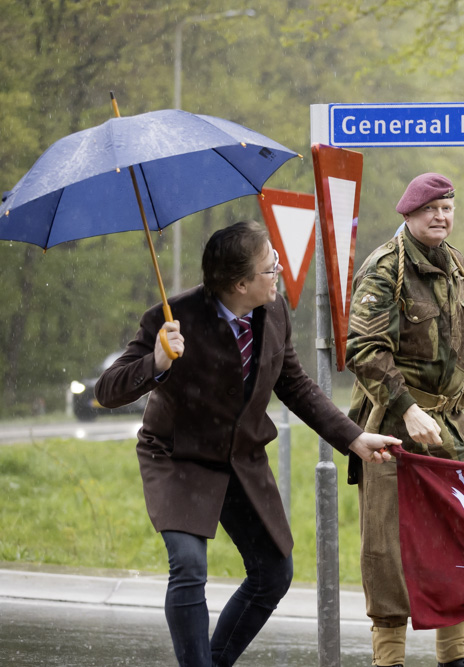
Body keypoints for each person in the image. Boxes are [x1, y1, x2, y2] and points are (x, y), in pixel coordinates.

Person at [95, 220, 399, 667]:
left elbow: (294, 385)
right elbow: (107, 389)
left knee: (273, 574)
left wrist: (353, 438)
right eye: (270, 267)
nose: (278, 271)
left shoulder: (274, 311)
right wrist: (156, 361)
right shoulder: (172, 317)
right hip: (177, 457)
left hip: (240, 457)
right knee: (188, 567)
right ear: (240, 283)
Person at [345, 173, 464, 667]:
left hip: (451, 429)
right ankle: (389, 658)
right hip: (393, 428)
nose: (441, 217)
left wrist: (453, 390)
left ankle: (454, 655)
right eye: (431, 210)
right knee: (386, 548)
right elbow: (362, 349)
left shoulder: (456, 263)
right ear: (409, 214)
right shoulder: (385, 269)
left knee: (459, 536)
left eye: (448, 208)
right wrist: (409, 408)